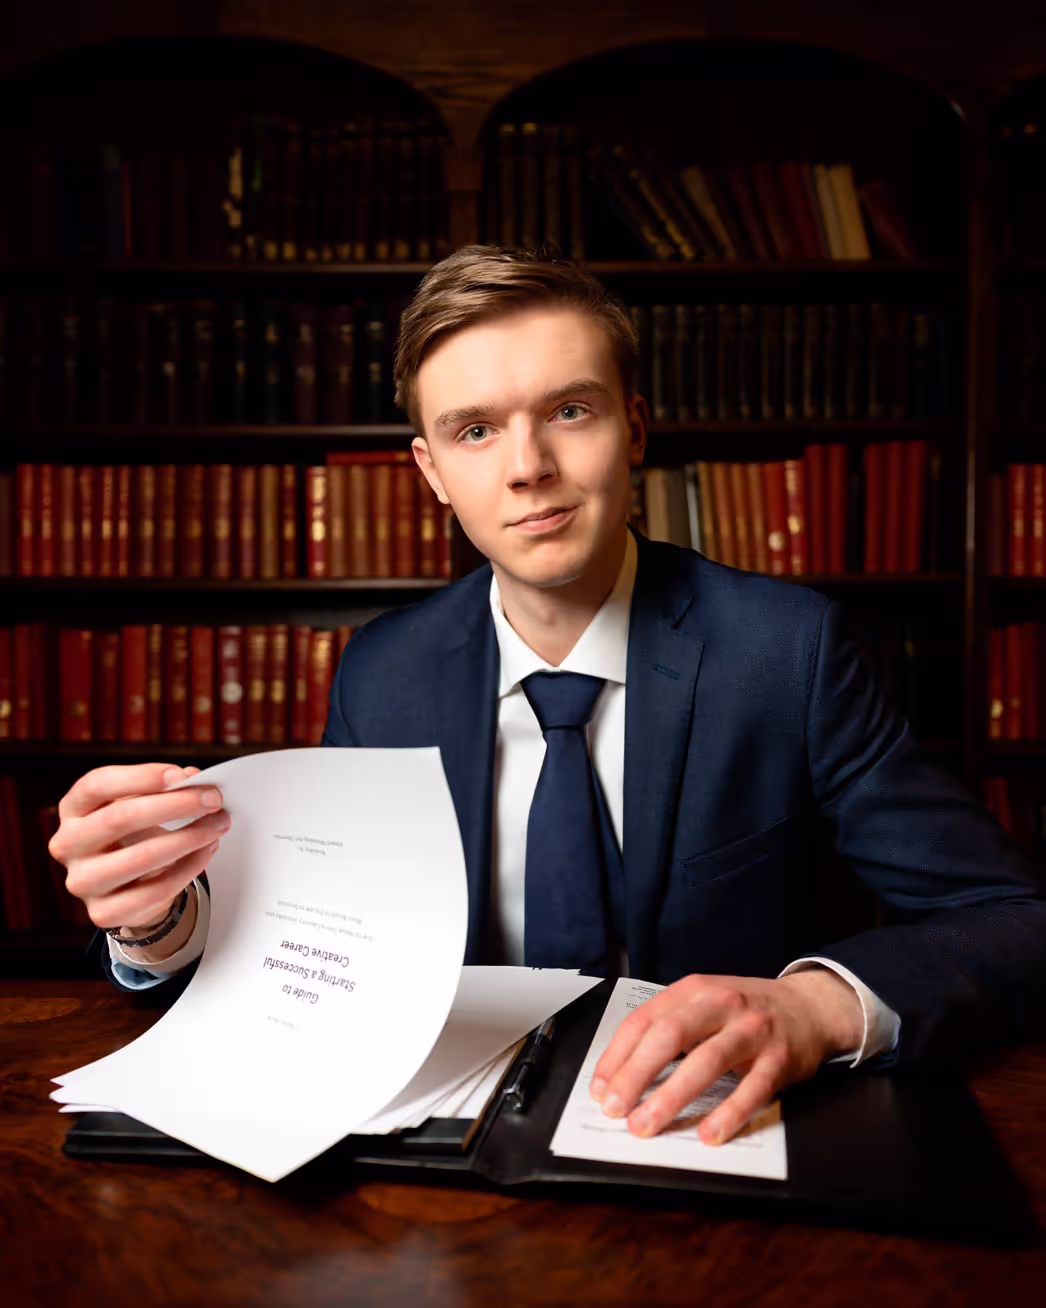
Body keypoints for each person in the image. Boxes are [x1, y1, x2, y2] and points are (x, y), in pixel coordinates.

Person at [50, 245, 1046, 1149]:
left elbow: (1010, 917)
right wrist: (156, 921)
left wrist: (812, 1009)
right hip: (448, 1162)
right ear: (432, 473)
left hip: (712, 1147)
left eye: (568, 410)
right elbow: (317, 956)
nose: (528, 469)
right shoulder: (381, 672)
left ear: (635, 428)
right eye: (475, 431)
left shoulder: (785, 650)